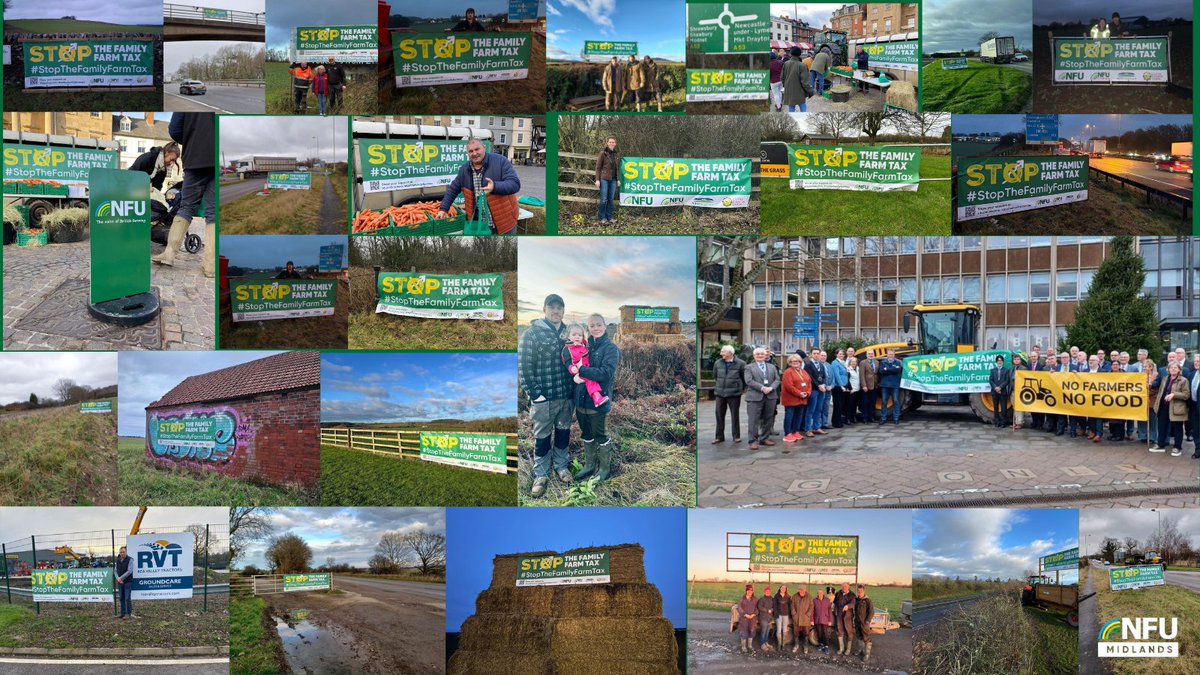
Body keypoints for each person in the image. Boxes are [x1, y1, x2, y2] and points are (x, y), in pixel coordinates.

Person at [519, 295, 574, 498]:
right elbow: (524, 368)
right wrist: (536, 394)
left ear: (563, 311)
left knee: (563, 433)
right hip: (544, 399)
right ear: (544, 309)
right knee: (542, 437)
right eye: (552, 307)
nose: (556, 311)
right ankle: (541, 474)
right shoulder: (532, 334)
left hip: (566, 398)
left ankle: (561, 466)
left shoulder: (569, 334)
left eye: (559, 307)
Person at [158, 113, 215, 277]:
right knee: (213, 213)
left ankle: (169, 254)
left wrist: (194, 137)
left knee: (186, 207)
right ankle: (211, 266)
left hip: (195, 157)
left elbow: (175, 130)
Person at [571, 313, 620, 480]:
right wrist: (574, 375)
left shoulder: (610, 349)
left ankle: (604, 469)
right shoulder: (584, 347)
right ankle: (589, 465)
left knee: (601, 435)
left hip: (598, 402)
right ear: (588, 328)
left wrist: (582, 370)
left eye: (599, 325)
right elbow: (571, 365)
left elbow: (606, 373)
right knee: (586, 434)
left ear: (605, 326)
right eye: (592, 325)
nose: (596, 328)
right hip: (581, 401)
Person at [437, 138, 521, 234]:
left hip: (504, 222)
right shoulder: (464, 170)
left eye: (477, 149)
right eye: (470, 151)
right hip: (478, 224)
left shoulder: (500, 161)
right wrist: (443, 209)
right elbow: (452, 190)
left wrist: (495, 187)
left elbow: (515, 184)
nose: (474, 153)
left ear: (484, 148)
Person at [130, 141, 183, 227]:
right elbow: (131, 174)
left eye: (174, 161)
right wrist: (144, 186)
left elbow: (157, 186)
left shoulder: (163, 170)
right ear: (166, 153)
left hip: (146, 196)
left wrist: (161, 196)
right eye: (171, 159)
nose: (172, 163)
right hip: (132, 191)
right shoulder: (148, 158)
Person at [562, 324, 609, 408]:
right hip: (578, 369)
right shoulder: (567, 349)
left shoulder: (584, 346)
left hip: (587, 367)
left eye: (580, 335)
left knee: (591, 378)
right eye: (574, 335)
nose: (577, 337)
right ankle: (597, 397)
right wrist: (571, 368)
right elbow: (567, 361)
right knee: (590, 380)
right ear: (568, 336)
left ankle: (597, 398)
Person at [744, 347, 780, 450]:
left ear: (765, 356)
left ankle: (764, 438)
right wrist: (762, 388)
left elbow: (777, 379)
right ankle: (753, 441)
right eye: (758, 354)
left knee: (768, 419)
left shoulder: (772, 367)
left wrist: (771, 388)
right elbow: (749, 381)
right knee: (753, 420)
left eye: (762, 354)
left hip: (770, 396)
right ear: (754, 356)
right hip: (755, 397)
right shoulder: (749, 367)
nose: (760, 355)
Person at [1151, 362, 1189, 456]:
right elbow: (1160, 392)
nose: (1173, 369)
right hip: (1163, 406)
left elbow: (1186, 395)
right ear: (1168, 369)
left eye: (1175, 367)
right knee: (1161, 426)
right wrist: (1157, 404)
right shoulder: (1165, 378)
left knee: (1177, 428)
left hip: (1176, 408)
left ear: (1179, 369)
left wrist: (1174, 394)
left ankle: (1177, 447)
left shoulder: (1183, 380)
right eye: (1171, 367)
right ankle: (1160, 445)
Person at [713, 345, 746, 444]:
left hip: (734, 394)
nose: (721, 353)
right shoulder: (717, 363)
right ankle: (719, 437)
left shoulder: (741, 363)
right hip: (720, 394)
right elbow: (715, 376)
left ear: (730, 353)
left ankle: (736, 436)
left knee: (735, 415)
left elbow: (744, 378)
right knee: (719, 415)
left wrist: (740, 389)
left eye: (723, 352)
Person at [781, 352, 812, 443]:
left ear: (800, 362)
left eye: (797, 361)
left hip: (802, 398)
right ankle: (788, 433)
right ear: (790, 363)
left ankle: (796, 431)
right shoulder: (788, 372)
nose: (795, 363)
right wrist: (800, 393)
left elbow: (809, 383)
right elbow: (789, 386)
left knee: (799, 416)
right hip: (791, 399)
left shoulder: (803, 371)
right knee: (790, 416)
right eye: (793, 361)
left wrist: (807, 393)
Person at [594, 136, 619, 224]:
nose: (611, 143)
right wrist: (597, 180)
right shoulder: (603, 153)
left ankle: (610, 217)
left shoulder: (616, 154)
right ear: (607, 143)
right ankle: (602, 217)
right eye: (610, 142)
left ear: (615, 144)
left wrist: (618, 179)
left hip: (613, 179)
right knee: (604, 199)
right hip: (604, 179)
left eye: (613, 142)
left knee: (611, 199)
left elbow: (617, 169)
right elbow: (598, 167)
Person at [780, 46, 813, 112]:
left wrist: (786, 86)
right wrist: (810, 92)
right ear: (800, 54)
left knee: (791, 108)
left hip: (789, 90)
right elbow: (805, 83)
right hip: (800, 92)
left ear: (790, 53)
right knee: (803, 108)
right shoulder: (802, 65)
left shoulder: (786, 64)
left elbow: (782, 78)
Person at [803, 349, 828, 437]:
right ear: (811, 354)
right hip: (813, 390)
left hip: (821, 390)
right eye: (814, 353)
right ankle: (808, 429)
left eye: (818, 353)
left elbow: (824, 376)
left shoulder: (821, 365)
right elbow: (809, 378)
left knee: (819, 409)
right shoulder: (808, 365)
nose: (816, 355)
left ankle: (816, 427)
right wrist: (818, 386)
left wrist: (823, 384)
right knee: (811, 410)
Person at [878, 348, 903, 425]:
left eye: (892, 354)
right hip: (885, 385)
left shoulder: (898, 362)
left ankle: (896, 418)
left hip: (895, 385)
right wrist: (892, 369)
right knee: (884, 402)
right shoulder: (883, 362)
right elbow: (881, 371)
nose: (890, 355)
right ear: (887, 354)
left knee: (895, 401)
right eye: (889, 354)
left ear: (894, 355)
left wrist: (887, 369)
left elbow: (897, 370)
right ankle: (883, 418)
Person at [790, 585, 814, 654]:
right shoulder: (794, 596)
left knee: (806, 634)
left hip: (805, 619)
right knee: (796, 633)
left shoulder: (809, 597)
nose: (801, 591)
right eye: (800, 589)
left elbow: (811, 606)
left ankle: (805, 646)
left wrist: (808, 614)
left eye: (803, 590)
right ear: (798, 590)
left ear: (805, 590)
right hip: (796, 619)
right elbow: (792, 606)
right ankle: (796, 645)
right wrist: (794, 614)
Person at [833, 582, 856, 656]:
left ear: (848, 587)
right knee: (839, 631)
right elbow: (834, 602)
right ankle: (841, 648)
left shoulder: (852, 595)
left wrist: (848, 606)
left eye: (845, 587)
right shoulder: (838, 593)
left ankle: (848, 649)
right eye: (843, 587)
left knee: (849, 632)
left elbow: (853, 603)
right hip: (839, 615)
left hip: (847, 616)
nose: (844, 588)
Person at [829, 349, 850, 427]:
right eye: (840, 354)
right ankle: (836, 422)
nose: (841, 355)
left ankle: (839, 420)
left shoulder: (843, 362)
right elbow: (836, 375)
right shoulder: (834, 363)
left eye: (843, 354)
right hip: (838, 387)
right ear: (836, 354)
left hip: (844, 385)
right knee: (838, 405)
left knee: (842, 405)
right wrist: (841, 385)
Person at [853, 585, 874, 661]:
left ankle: (867, 654)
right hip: (857, 622)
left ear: (864, 591)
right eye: (858, 591)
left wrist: (867, 621)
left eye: (861, 591)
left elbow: (871, 612)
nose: (859, 592)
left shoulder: (867, 600)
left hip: (864, 623)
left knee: (866, 638)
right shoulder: (856, 600)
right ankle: (860, 650)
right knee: (859, 636)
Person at [990, 355, 1011, 428]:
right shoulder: (993, 370)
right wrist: (995, 387)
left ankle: (1003, 422)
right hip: (994, 391)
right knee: (995, 408)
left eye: (1001, 360)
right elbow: (990, 380)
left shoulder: (1006, 370)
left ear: (1003, 362)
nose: (999, 362)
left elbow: (1007, 381)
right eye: (998, 360)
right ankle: (997, 422)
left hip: (1003, 392)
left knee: (1003, 408)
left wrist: (1000, 387)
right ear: (996, 362)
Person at [737, 585, 758, 654]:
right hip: (744, 618)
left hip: (752, 618)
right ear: (746, 591)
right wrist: (745, 614)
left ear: (753, 591)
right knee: (744, 631)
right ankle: (743, 646)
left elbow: (757, 608)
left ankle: (749, 645)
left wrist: (753, 614)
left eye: (751, 590)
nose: (750, 592)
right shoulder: (742, 599)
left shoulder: (755, 599)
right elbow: (739, 608)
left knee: (752, 631)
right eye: (748, 590)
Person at [115, 546, 134, 619]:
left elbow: (129, 571)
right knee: (121, 598)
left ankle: (128, 614)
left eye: (123, 552)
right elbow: (115, 570)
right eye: (121, 552)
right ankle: (122, 613)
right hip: (120, 582)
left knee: (127, 598)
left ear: (126, 552)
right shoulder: (118, 560)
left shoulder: (130, 560)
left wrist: (121, 578)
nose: (122, 553)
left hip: (127, 582)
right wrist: (118, 579)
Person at [859, 350, 878, 423]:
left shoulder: (876, 362)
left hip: (874, 385)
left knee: (872, 402)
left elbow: (876, 374)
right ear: (866, 355)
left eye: (872, 354)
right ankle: (865, 418)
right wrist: (864, 385)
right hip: (866, 386)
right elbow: (862, 375)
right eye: (869, 354)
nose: (871, 355)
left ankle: (871, 417)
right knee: (865, 403)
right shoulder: (863, 362)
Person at [813, 587, 833, 654]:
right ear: (817, 594)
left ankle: (826, 646)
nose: (820, 594)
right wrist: (812, 620)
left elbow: (829, 610)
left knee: (825, 633)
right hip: (817, 619)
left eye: (821, 593)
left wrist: (830, 620)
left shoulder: (827, 600)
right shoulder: (814, 600)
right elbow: (812, 610)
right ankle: (821, 645)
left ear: (823, 593)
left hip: (825, 619)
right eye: (819, 593)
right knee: (819, 633)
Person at [1010, 353, 1028, 429]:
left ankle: (1020, 423)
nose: (1016, 361)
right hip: (1013, 390)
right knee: (1014, 407)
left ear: (1020, 360)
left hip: (1020, 391)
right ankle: (1015, 422)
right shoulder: (1011, 369)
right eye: (1015, 359)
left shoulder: (1023, 368)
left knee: (1019, 407)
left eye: (1018, 359)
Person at [756, 585, 776, 651]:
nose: (768, 592)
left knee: (767, 631)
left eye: (769, 591)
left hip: (770, 618)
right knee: (763, 631)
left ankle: (766, 642)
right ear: (764, 592)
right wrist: (767, 610)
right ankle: (762, 644)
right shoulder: (761, 599)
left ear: (770, 592)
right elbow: (759, 607)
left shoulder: (772, 599)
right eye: (766, 591)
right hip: (763, 618)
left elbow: (774, 606)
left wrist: (772, 609)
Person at [774, 585, 791, 650]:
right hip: (778, 615)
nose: (783, 589)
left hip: (786, 615)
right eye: (782, 588)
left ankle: (783, 644)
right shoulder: (776, 596)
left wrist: (789, 614)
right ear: (780, 588)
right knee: (778, 630)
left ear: (786, 589)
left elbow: (790, 606)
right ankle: (779, 644)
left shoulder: (788, 596)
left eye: (784, 588)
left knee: (785, 630)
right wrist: (776, 614)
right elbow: (775, 605)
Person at [846, 356, 862, 424]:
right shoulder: (848, 369)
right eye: (852, 362)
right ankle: (848, 419)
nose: (854, 363)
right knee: (850, 405)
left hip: (858, 390)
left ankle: (853, 417)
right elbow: (847, 380)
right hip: (852, 391)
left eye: (855, 361)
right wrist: (850, 389)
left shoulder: (858, 368)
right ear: (850, 362)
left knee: (855, 405)